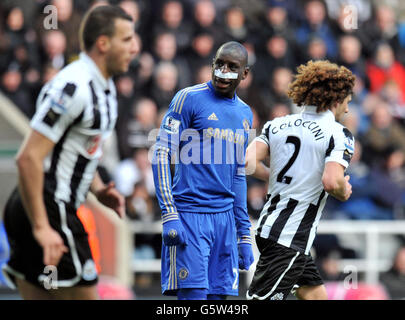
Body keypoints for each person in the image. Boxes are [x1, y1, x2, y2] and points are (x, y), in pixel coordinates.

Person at [1, 5, 138, 300]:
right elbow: (28, 158)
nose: (135, 47)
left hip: (42, 208)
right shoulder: (74, 86)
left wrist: (99, 188)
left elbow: (79, 149)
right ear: (103, 43)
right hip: (49, 208)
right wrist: (42, 227)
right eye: (126, 39)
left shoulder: (106, 88)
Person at [152, 41, 254, 300]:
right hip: (190, 216)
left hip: (225, 222)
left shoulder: (245, 114)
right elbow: (161, 153)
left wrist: (243, 233)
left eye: (232, 67)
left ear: (245, 74)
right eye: (219, 64)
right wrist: (169, 213)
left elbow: (238, 175)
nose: (223, 71)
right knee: (194, 298)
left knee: (218, 301)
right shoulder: (188, 99)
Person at [245, 60, 356, 300]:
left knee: (316, 296)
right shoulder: (338, 134)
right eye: (347, 102)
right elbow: (331, 181)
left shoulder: (277, 125)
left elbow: (246, 163)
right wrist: (343, 190)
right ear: (336, 100)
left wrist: (270, 175)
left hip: (270, 227)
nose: (347, 110)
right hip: (289, 238)